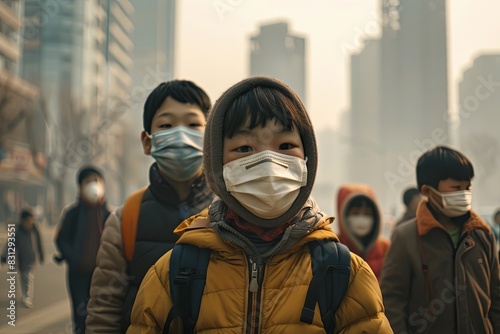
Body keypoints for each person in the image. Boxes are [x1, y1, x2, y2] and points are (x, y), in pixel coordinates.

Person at [127, 76, 392, 333]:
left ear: (307, 160)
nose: (268, 162)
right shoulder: (173, 272)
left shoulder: (344, 274)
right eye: (244, 148)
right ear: (217, 164)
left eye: (285, 145)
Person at [85, 80, 214, 333]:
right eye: (166, 125)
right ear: (147, 141)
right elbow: (104, 310)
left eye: (193, 124)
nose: (180, 135)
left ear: (210, 139)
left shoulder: (232, 213)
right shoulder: (126, 218)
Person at [381, 146, 500, 333]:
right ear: (428, 191)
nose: (465, 194)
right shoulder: (406, 238)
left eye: (467, 187)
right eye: (456, 188)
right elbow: (392, 301)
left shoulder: (482, 234)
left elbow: (496, 296)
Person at [55, 165, 111, 334]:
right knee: (80, 316)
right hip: (78, 274)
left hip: (102, 275)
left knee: (102, 316)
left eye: (97, 181)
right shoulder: (72, 214)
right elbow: (61, 240)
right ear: (80, 187)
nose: (93, 185)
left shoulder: (109, 215)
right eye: (88, 181)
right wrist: (74, 259)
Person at [336, 184, 390, 282]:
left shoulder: (386, 248)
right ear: (343, 215)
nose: (361, 218)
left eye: (367, 214)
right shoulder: (333, 249)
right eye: (355, 213)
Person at [1, 208, 44, 308]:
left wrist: (41, 255)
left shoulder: (34, 230)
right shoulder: (17, 231)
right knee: (23, 277)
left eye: (31, 220)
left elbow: (39, 243)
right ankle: (25, 295)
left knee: (28, 277)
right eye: (28, 221)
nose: (30, 223)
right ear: (22, 221)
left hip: (31, 259)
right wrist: (4, 256)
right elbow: (10, 245)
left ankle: (28, 297)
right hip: (21, 259)